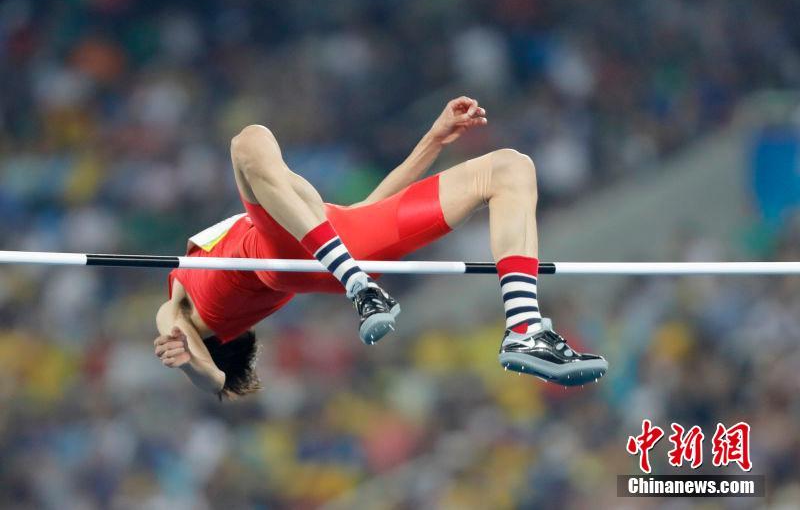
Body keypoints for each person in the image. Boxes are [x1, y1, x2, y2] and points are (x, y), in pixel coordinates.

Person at [154, 97, 607, 398]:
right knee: (249, 141)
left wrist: (433, 140)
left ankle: (525, 329)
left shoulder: (205, 278)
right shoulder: (187, 308)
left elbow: (369, 209)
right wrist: (191, 364)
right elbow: (213, 379)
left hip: (336, 240)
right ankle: (357, 283)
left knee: (509, 167)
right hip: (292, 256)